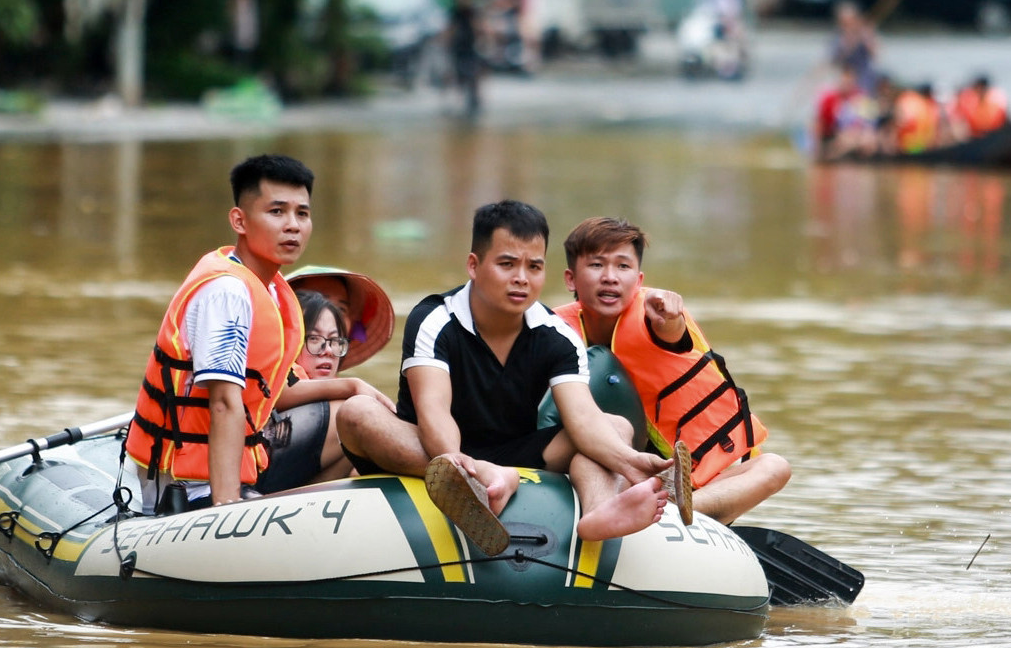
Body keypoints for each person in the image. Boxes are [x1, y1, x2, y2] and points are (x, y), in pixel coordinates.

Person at [336, 200, 678, 555]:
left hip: (518, 451)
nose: (521, 278)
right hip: (431, 449)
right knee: (357, 412)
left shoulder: (558, 336)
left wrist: (633, 462)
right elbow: (434, 410)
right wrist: (467, 470)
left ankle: (597, 513)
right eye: (507, 264)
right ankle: (487, 480)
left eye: (534, 267)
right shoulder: (435, 319)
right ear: (474, 265)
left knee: (615, 426)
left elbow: (583, 419)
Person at [555, 216, 791, 525]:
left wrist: (669, 315)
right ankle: (619, 510)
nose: (610, 277)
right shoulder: (553, 329)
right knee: (598, 443)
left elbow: (672, 331)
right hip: (625, 463)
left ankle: (669, 515)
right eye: (597, 265)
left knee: (775, 466)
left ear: (638, 280)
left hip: (698, 479)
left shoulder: (656, 314)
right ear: (571, 279)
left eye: (622, 267)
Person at [124, 154, 314, 515]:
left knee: (342, 417)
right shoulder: (227, 291)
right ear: (239, 220)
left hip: (242, 467)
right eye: (277, 212)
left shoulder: (270, 287)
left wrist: (355, 387)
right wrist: (225, 507)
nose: (292, 226)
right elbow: (225, 402)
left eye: (301, 214)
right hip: (188, 486)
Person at [256, 290, 384, 492]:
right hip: (252, 474)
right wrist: (353, 386)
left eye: (335, 341)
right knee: (350, 414)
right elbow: (276, 393)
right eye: (314, 339)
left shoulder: (341, 395)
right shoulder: (270, 373)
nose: (328, 350)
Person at [813, 56, 883, 160]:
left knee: (868, 140)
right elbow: (819, 123)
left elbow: (869, 124)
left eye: (849, 78)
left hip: (857, 136)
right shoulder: (829, 98)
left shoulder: (862, 98)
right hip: (834, 136)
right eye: (845, 78)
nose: (847, 82)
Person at [830, 0, 880, 92]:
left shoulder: (864, 33)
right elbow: (834, 60)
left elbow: (875, 54)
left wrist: (868, 37)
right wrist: (848, 44)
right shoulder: (838, 38)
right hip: (845, 80)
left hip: (864, 79)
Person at [949, 74, 1009, 139]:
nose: (980, 91)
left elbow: (1004, 123)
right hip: (975, 140)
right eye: (978, 89)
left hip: (994, 139)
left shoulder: (996, 106)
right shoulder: (968, 106)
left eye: (982, 88)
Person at [892, 82, 943, 154]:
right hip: (914, 147)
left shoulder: (911, 99)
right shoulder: (921, 103)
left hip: (913, 147)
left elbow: (901, 120)